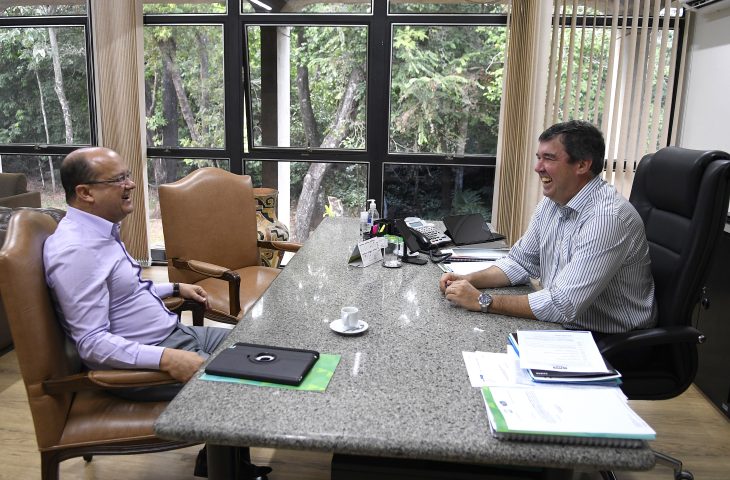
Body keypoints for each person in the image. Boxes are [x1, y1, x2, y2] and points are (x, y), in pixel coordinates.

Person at [44, 147, 270, 479]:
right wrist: (168, 359)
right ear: (85, 193)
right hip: (148, 358)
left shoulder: (99, 232)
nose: (131, 184)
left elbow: (123, 292)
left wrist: (175, 288)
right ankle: (228, 470)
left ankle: (219, 461)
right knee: (244, 380)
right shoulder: (77, 250)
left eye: (128, 176)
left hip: (173, 335)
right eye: (119, 179)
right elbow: (91, 344)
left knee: (260, 352)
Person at [439, 120, 657, 335]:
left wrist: (482, 300)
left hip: (609, 340)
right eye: (539, 158)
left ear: (582, 165)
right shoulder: (553, 201)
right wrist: (469, 279)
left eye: (549, 158)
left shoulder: (607, 219)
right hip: (564, 325)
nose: (538, 167)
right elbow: (520, 262)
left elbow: (562, 305)